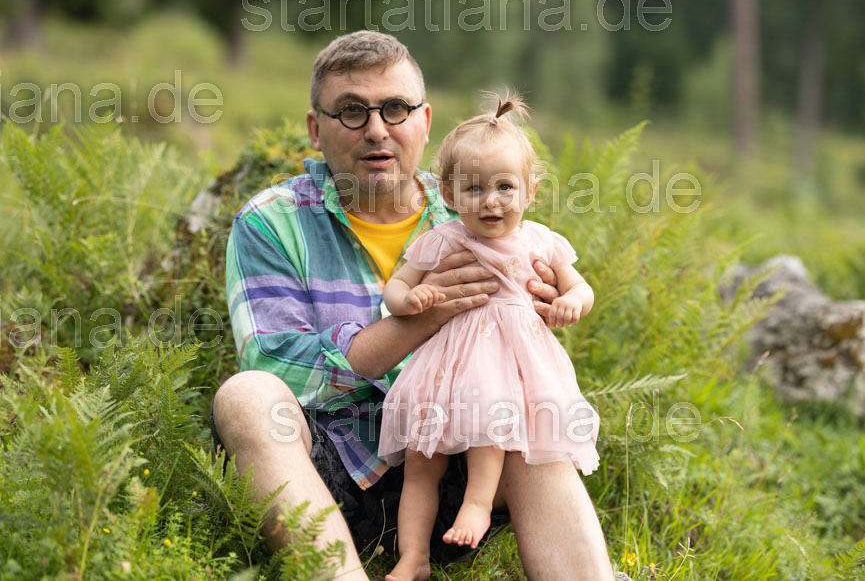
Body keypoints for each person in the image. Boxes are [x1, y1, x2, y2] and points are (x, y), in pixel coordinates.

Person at [210, 30, 614, 580]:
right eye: (351, 111)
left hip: (464, 467)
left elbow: (540, 317)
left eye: (395, 109)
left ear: (424, 122)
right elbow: (275, 364)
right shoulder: (271, 221)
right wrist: (421, 320)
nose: (377, 129)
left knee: (523, 409)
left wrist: (548, 306)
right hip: (330, 472)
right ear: (316, 128)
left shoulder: (478, 209)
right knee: (246, 397)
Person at [378, 93, 600, 581]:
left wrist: (571, 303)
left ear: (530, 190)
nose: (491, 200)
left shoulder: (541, 241)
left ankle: (477, 506)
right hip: (445, 368)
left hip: (509, 370)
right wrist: (408, 300)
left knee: (493, 424)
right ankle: (412, 556)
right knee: (420, 460)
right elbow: (396, 286)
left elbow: (580, 288)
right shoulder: (444, 240)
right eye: (474, 188)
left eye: (505, 186)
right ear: (450, 194)